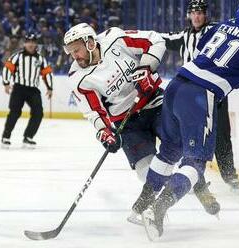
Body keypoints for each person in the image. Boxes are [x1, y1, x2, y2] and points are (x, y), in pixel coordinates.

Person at [133, 2, 239, 240]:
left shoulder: (222, 27)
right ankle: (157, 210)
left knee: (169, 151)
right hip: (200, 93)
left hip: (176, 84)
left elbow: (202, 50)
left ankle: (140, 205)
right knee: (195, 162)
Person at [64, 23, 165, 224]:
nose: (74, 56)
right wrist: (104, 132)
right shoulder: (78, 78)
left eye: (77, 50)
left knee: (178, 143)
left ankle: (194, 183)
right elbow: (94, 111)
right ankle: (156, 207)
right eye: (70, 52)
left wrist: (146, 67)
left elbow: (155, 39)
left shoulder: (115, 38)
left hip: (154, 102)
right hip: (126, 122)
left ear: (90, 43)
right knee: (146, 170)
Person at [162, 0, 239, 192]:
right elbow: (159, 39)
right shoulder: (184, 36)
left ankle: (230, 177)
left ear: (206, 15)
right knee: (192, 138)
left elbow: (238, 29)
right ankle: (196, 179)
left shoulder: (216, 30)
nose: (197, 16)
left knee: (221, 136)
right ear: (189, 15)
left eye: (200, 13)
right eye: (193, 13)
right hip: (192, 96)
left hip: (215, 91)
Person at [1, 32, 53, 148]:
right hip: (19, 88)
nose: (31, 44)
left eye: (33, 42)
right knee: (14, 113)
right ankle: (6, 137)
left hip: (33, 89)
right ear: (24, 44)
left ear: (36, 45)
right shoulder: (17, 56)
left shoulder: (40, 59)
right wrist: (6, 83)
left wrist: (50, 88)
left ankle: (28, 137)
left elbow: (47, 73)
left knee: (38, 113)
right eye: (28, 42)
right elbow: (7, 68)